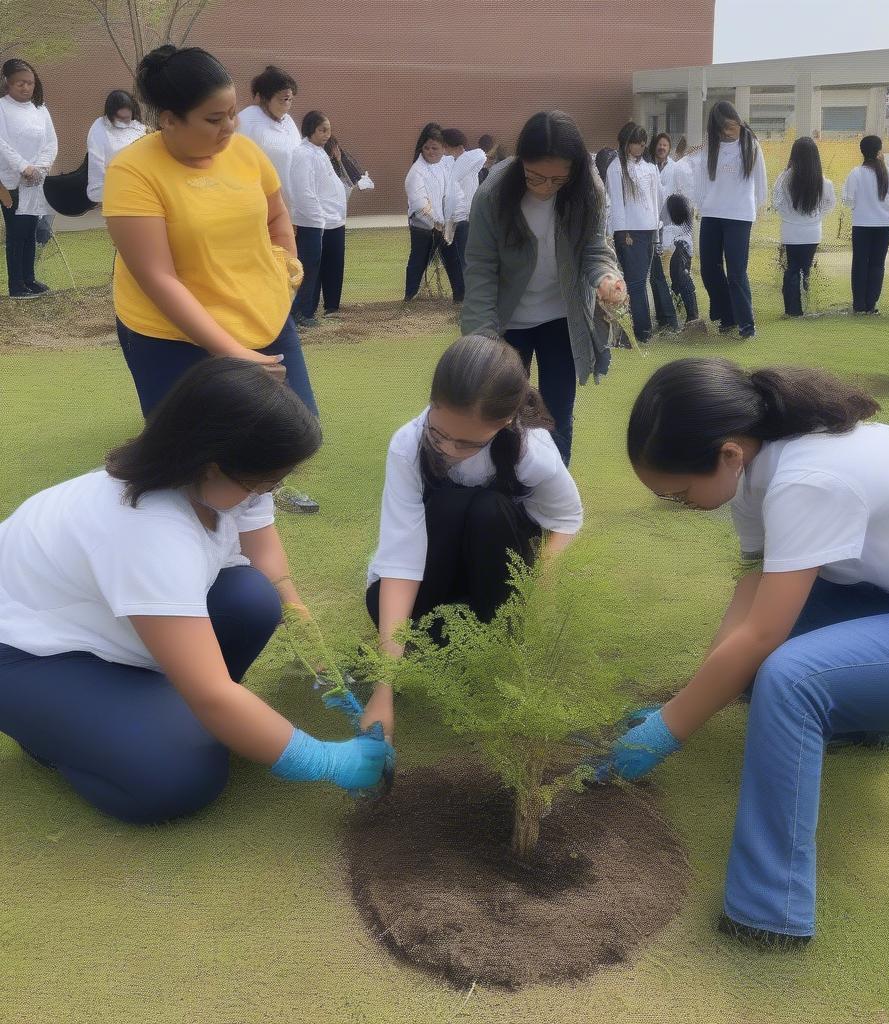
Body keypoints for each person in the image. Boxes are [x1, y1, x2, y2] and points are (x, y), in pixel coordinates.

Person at [592, 356, 889, 946]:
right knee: (752, 660)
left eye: (677, 494)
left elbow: (765, 636)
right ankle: (866, 722)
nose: (679, 506)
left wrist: (670, 729)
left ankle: (770, 908)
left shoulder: (807, 479)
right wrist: (697, 695)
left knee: (791, 677)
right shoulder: (755, 464)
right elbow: (753, 593)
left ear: (725, 454)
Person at [0, 359, 393, 824]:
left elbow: (267, 566)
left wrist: (308, 634)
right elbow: (210, 693)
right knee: (181, 776)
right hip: (29, 658)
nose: (267, 492)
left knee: (251, 596)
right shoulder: (147, 529)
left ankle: (144, 714)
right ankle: (55, 738)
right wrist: (325, 761)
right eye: (264, 483)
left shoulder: (225, 476)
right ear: (210, 465)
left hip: (105, 630)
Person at [103, 45, 320, 514]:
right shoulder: (131, 171)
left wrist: (285, 274)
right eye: (214, 119)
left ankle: (252, 520)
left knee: (292, 431)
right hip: (173, 335)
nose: (230, 127)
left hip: (262, 319)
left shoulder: (243, 152)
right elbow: (158, 278)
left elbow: (278, 217)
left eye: (232, 114)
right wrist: (233, 354)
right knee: (190, 463)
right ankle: (196, 548)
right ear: (169, 119)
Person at [361, 335, 584, 743]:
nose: (445, 449)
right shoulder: (408, 445)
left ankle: (493, 644)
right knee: (445, 509)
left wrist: (541, 590)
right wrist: (384, 684)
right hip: (430, 582)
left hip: (490, 582)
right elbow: (401, 559)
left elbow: (567, 519)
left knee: (486, 508)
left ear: (504, 423)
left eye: (465, 443)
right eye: (439, 432)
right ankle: (429, 647)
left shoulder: (531, 451)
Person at [461, 109, 626, 464]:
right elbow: (480, 269)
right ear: (521, 160)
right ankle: (506, 494)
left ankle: (554, 505)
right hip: (505, 325)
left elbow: (595, 248)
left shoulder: (587, 189)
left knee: (556, 418)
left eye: (557, 180)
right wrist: (482, 339)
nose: (546, 187)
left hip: (561, 320)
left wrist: (607, 279)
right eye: (535, 177)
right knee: (501, 415)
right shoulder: (493, 193)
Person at [690, 101, 768, 339]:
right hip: (712, 215)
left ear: (738, 120)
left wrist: (755, 209)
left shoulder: (751, 145)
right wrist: (701, 207)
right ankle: (727, 316)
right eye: (722, 128)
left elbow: (761, 182)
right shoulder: (709, 149)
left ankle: (747, 324)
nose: (728, 131)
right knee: (709, 269)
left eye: (731, 126)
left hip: (739, 216)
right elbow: (701, 183)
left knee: (736, 272)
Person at [606, 121, 678, 342]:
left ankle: (645, 328)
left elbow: (658, 198)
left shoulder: (649, 167)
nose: (639, 147)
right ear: (626, 143)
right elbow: (616, 202)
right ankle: (641, 331)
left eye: (641, 142)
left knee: (644, 280)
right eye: (635, 143)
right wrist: (622, 231)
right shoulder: (616, 167)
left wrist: (657, 228)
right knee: (636, 282)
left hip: (648, 229)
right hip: (629, 232)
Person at [0, 58, 58, 299]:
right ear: (7, 83)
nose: (26, 88)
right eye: (20, 84)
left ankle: (29, 279)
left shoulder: (40, 108)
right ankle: (16, 285)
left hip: (36, 180)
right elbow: (1, 143)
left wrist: (41, 168)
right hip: (10, 181)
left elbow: (50, 141)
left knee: (30, 230)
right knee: (16, 231)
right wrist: (23, 167)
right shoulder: (2, 108)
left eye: (30, 83)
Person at [289, 110, 352, 326]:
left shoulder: (319, 152)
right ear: (310, 130)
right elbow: (304, 191)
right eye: (322, 130)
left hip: (329, 220)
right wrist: (318, 220)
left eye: (329, 130)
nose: (327, 134)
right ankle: (300, 312)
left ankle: (310, 311)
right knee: (309, 267)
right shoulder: (303, 154)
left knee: (322, 265)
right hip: (313, 222)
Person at [772, 136, 836, 317]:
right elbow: (830, 204)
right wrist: (815, 218)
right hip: (813, 233)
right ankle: (809, 306)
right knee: (807, 268)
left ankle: (793, 310)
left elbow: (776, 202)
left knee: (792, 268)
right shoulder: (824, 181)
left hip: (791, 232)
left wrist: (790, 217)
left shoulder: (784, 178)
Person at [842, 136, 889, 315]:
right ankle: (871, 304)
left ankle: (859, 305)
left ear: (862, 151)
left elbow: (848, 201)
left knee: (860, 263)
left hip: (862, 224)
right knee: (878, 264)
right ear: (879, 151)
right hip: (885, 224)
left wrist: (861, 206)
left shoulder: (855, 173)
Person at [404, 123, 463, 303]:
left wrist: (452, 218)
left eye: (435, 148)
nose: (430, 151)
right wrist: (436, 222)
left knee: (454, 261)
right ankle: (410, 297)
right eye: (427, 147)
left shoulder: (445, 166)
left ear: (443, 148)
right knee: (418, 262)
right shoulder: (416, 172)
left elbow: (454, 192)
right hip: (423, 227)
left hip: (444, 225)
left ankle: (461, 297)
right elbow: (419, 202)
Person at [235, 66, 301, 211]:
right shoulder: (247, 120)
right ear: (264, 98)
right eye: (284, 99)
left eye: (290, 99)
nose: (288, 104)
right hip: (262, 206)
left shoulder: (288, 121)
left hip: (294, 208)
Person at [86, 90, 147, 204]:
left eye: (127, 118)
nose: (124, 122)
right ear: (111, 115)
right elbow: (97, 163)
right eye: (120, 118)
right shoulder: (99, 129)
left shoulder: (136, 127)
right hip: (115, 189)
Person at [441, 127, 486, 272]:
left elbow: (480, 155)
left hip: (466, 219)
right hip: (455, 219)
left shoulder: (469, 161)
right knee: (456, 260)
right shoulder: (450, 163)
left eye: (445, 146)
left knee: (466, 260)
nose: (444, 150)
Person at [664, 193, 700, 326]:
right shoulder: (686, 228)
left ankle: (692, 316)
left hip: (678, 255)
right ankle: (691, 315)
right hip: (683, 252)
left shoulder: (671, 231)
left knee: (682, 282)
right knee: (682, 283)